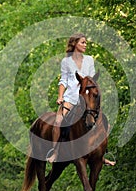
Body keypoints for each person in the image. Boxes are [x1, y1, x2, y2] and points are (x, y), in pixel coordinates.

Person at [46, 33, 116, 166]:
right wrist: (60, 96)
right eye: (83, 42)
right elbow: (63, 80)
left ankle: (102, 154)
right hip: (71, 97)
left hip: (86, 97)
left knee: (104, 122)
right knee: (58, 121)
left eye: (85, 42)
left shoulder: (89, 60)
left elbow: (92, 79)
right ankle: (55, 152)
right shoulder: (66, 62)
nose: (85, 45)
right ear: (75, 43)